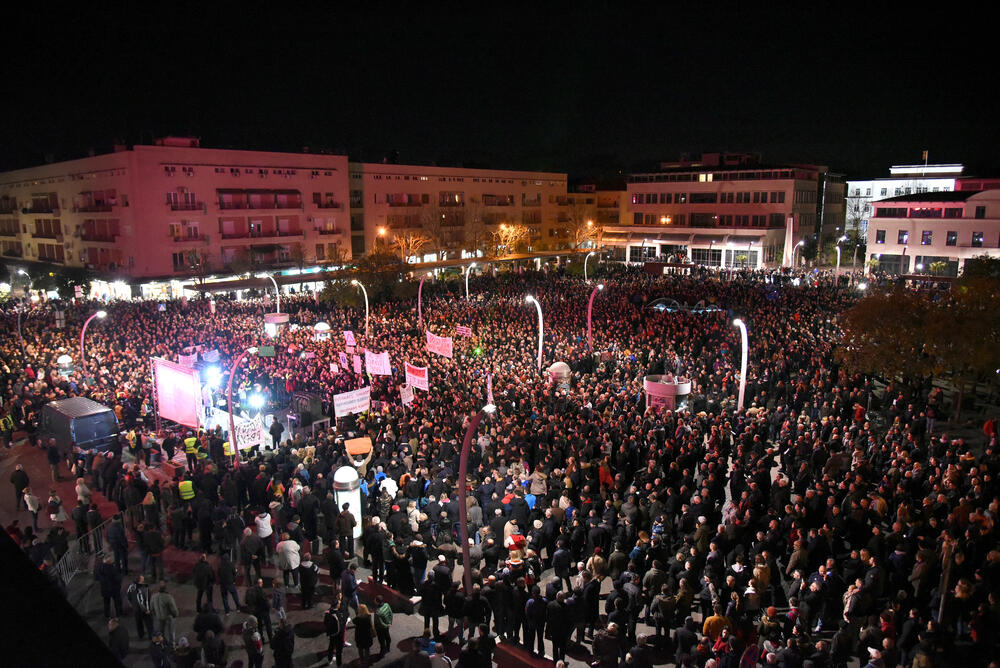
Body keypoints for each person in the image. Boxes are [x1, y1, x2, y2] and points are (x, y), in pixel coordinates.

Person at [150, 581, 179, 646]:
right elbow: (173, 609)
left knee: (161, 631)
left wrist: (155, 614)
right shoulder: (168, 597)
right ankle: (172, 644)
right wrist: (176, 614)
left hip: (159, 617)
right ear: (165, 588)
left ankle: (161, 644)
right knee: (171, 631)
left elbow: (151, 608)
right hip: (168, 617)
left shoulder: (154, 597)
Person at [245, 577, 273, 643]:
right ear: (259, 583)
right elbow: (265, 602)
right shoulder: (260, 591)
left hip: (255, 612)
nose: (262, 584)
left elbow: (247, 601)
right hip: (263, 611)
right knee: (268, 624)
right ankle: (271, 638)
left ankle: (262, 639)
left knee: (259, 625)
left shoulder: (248, 591)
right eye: (261, 583)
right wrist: (268, 607)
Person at [126, 574, 154, 640]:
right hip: (143, 609)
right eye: (142, 579)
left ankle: (141, 635)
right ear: (140, 581)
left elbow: (128, 595)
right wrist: (147, 609)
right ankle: (151, 635)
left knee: (138, 622)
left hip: (136, 609)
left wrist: (132, 604)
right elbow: (145, 600)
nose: (143, 580)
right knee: (149, 622)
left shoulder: (131, 586)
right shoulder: (145, 588)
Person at [95, 555, 124, 619]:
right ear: (109, 561)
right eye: (111, 560)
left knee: (106, 603)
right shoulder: (112, 569)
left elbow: (96, 577)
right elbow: (117, 579)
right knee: (117, 602)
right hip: (114, 589)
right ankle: (119, 614)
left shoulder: (99, 568)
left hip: (104, 589)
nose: (112, 560)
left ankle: (107, 615)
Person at [325, 595, 346, 666]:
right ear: (336, 605)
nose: (339, 604)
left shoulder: (327, 612)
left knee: (331, 646)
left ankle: (329, 659)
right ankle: (339, 664)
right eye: (338, 603)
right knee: (338, 651)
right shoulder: (338, 614)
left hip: (331, 633)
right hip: (338, 635)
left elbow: (325, 623)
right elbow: (342, 625)